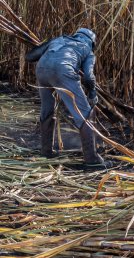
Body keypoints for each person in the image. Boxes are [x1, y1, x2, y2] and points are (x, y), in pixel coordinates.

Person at [26, 28, 110, 169]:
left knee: (47, 110)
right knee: (85, 114)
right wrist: (92, 93)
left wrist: (47, 46)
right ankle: (92, 159)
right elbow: (89, 76)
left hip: (41, 71)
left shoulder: (58, 40)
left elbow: (29, 57)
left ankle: (46, 152)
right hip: (63, 72)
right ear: (92, 42)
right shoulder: (87, 50)